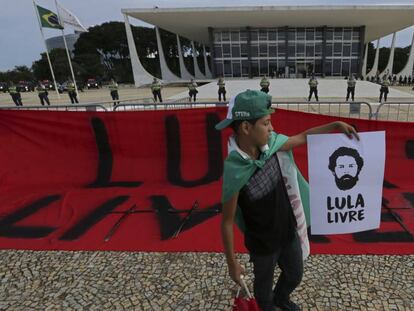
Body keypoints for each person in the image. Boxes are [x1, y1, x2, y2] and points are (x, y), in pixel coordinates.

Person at [216, 89, 359, 311]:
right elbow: (226, 222)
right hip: (262, 246)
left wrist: (335, 126)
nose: (272, 128)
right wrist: (232, 264)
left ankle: (281, 298)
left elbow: (302, 137)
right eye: (266, 123)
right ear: (246, 127)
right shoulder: (234, 171)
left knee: (295, 274)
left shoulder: (271, 145)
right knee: (263, 292)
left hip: (287, 232)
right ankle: (269, 305)